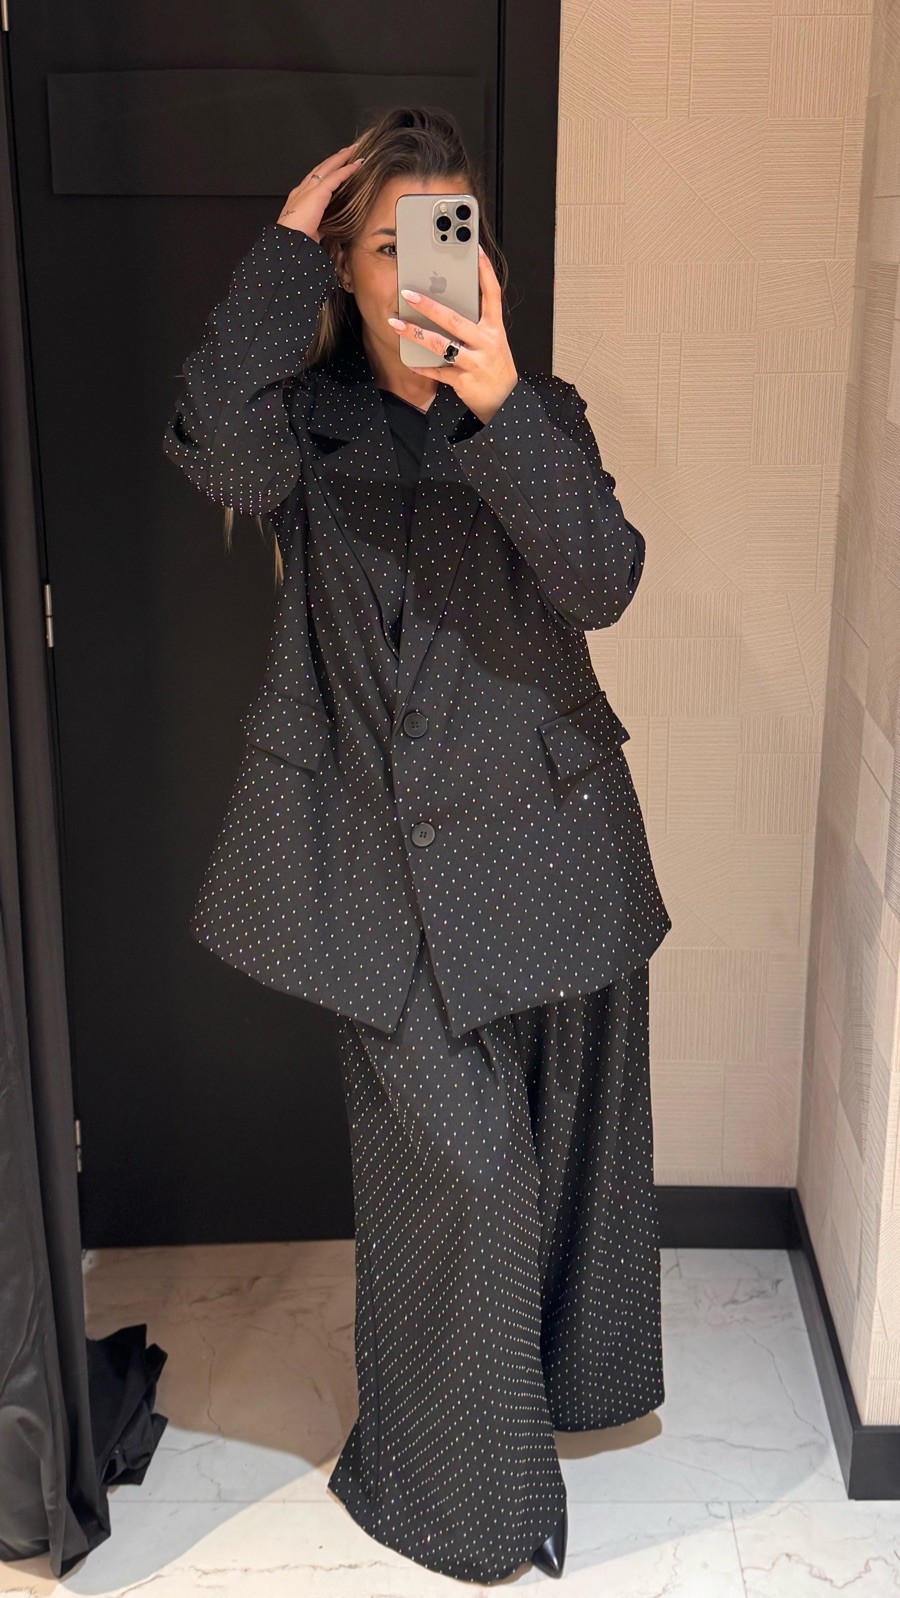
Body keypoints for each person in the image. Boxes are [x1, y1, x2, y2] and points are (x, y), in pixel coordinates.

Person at [163, 105, 672, 1585]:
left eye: (445, 238)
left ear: (481, 259)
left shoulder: (536, 411)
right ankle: (450, 1497)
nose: (417, 274)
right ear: (345, 264)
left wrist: (499, 398)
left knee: (568, 1158)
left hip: (552, 849)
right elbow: (209, 441)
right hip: (382, 874)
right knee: (466, 1180)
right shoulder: (300, 430)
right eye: (386, 244)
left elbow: (604, 579)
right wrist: (279, 251)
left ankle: (554, 1402)